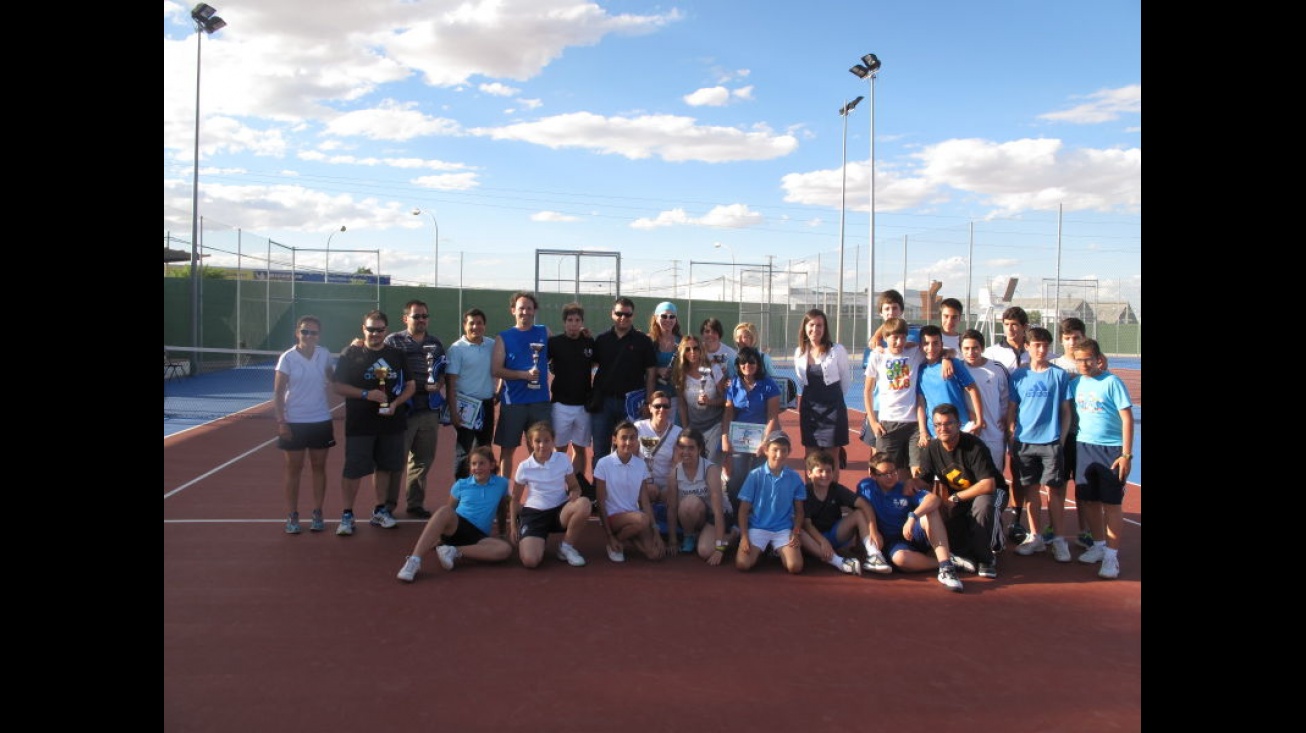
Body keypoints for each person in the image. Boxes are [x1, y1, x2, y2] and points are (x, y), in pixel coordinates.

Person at [331, 310, 416, 536]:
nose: (375, 333)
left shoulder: (397, 354)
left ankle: (380, 510)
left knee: (386, 468)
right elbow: (338, 386)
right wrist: (366, 394)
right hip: (360, 423)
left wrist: (396, 403)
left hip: (391, 422)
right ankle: (347, 515)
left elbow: (411, 385)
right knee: (354, 470)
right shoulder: (350, 353)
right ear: (363, 329)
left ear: (385, 331)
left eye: (379, 330)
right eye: (371, 329)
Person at [1006, 327, 1075, 562]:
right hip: (1024, 443)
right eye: (1036, 345)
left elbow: (1066, 410)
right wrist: (1011, 433)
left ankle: (1059, 539)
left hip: (1051, 443)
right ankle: (1035, 537)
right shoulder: (1019, 376)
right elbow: (1012, 409)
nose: (1041, 349)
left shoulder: (1059, 375)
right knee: (1030, 491)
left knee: (1055, 492)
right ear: (1027, 347)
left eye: (1045, 345)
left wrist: (1061, 438)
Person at [912, 403, 1002, 579]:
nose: (943, 428)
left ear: (958, 424)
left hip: (991, 493)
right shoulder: (932, 448)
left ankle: (987, 558)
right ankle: (966, 550)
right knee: (944, 515)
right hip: (960, 497)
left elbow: (988, 485)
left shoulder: (974, 446)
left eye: (948, 424)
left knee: (982, 507)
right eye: (938, 425)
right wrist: (911, 483)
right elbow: (925, 480)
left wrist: (955, 497)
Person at [396, 446, 513, 582]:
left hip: (479, 537)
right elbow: (449, 511)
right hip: (457, 529)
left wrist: (503, 533)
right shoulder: (461, 485)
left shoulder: (502, 484)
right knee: (444, 511)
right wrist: (438, 537)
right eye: (474, 464)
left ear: (492, 465)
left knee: (505, 550)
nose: (477, 467)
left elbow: (502, 508)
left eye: (482, 463)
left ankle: (453, 551)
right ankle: (414, 561)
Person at [1069, 339, 1134, 580]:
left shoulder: (1112, 382)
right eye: (1079, 359)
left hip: (1111, 450)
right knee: (1090, 502)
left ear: (1098, 359)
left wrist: (1126, 454)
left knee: (1112, 505)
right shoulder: (1076, 384)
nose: (1083, 364)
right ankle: (1097, 545)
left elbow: (1127, 419)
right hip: (1084, 446)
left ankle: (1111, 556)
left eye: (1087, 358)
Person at [857, 452, 964, 592]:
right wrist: (873, 531)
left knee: (930, 512)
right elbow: (860, 508)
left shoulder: (905, 488)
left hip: (913, 533)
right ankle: (947, 562)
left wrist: (913, 516)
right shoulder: (865, 487)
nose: (890, 477)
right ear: (873, 475)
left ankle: (946, 568)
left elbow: (933, 499)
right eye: (884, 474)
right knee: (901, 560)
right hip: (893, 543)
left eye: (893, 472)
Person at [382, 299, 446, 519]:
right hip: (404, 409)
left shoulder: (435, 343)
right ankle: (387, 506)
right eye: (416, 316)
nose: (421, 320)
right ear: (405, 318)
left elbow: (441, 371)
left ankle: (415, 503)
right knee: (395, 460)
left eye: (424, 316)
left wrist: (438, 384)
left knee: (422, 460)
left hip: (428, 409)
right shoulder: (393, 341)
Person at [273, 315, 336, 534]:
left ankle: (318, 512)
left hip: (320, 420)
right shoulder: (287, 358)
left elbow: (333, 378)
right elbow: (279, 392)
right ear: (297, 333)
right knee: (294, 469)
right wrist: (282, 421)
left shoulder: (325, 355)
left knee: (319, 468)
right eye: (304, 332)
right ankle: (292, 514)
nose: (309, 336)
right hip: (294, 422)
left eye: (313, 332)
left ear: (319, 335)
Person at [509, 422, 592, 568]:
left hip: (559, 512)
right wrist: (513, 527)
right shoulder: (524, 467)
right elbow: (515, 498)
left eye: (546, 440)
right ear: (530, 442)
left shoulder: (563, 459)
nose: (542, 445)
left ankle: (566, 547)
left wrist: (574, 493)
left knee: (584, 503)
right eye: (537, 441)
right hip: (535, 515)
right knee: (530, 561)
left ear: (553, 441)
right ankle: (536, 538)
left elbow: (575, 487)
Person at [492, 291, 553, 486]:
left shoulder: (544, 332)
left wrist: (582, 334)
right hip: (514, 403)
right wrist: (523, 375)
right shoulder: (503, 337)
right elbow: (496, 369)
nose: (525, 312)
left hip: (540, 402)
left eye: (529, 308)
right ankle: (504, 493)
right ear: (513, 311)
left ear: (534, 311)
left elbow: (564, 348)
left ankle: (541, 490)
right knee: (508, 449)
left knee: (540, 449)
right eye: (521, 308)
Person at [981, 305, 1032, 537]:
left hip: (1031, 423)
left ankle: (1017, 519)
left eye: (1015, 325)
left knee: (1021, 472)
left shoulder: (1036, 352)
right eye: (1007, 325)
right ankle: (993, 518)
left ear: (1024, 328)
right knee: (996, 470)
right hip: (1000, 422)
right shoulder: (992, 353)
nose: (1010, 330)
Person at [589, 296, 658, 467]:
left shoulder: (643, 341)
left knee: (630, 450)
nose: (623, 318)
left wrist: (648, 402)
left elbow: (651, 373)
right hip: (603, 404)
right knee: (600, 451)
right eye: (619, 313)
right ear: (612, 314)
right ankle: (600, 492)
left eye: (627, 315)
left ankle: (628, 490)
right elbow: (590, 366)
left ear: (633, 316)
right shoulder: (602, 339)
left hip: (631, 404)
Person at [861, 317, 927, 480]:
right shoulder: (878, 356)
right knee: (884, 472)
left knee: (917, 472)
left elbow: (937, 347)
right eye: (894, 337)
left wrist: (948, 356)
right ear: (885, 338)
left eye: (903, 337)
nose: (899, 342)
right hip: (887, 424)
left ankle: (914, 503)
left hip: (913, 426)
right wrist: (873, 421)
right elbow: (867, 391)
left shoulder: (915, 353)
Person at [721, 346, 782, 514]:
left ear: (758, 364)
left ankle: (758, 515)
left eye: (752, 361)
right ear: (738, 365)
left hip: (762, 440)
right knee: (737, 477)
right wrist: (725, 438)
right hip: (739, 440)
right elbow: (728, 414)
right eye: (743, 362)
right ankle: (735, 512)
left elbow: (772, 417)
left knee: (760, 477)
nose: (747, 365)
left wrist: (765, 443)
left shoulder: (769, 385)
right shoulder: (733, 385)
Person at [797, 449, 878, 576]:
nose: (825, 475)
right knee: (799, 532)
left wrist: (873, 530)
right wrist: (823, 541)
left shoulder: (836, 489)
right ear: (809, 473)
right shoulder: (805, 492)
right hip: (814, 540)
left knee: (858, 514)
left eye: (828, 471)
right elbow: (807, 524)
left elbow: (863, 504)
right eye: (820, 471)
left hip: (835, 534)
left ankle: (874, 554)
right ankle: (839, 562)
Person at [595, 421, 667, 563]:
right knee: (642, 519)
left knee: (655, 554)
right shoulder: (603, 464)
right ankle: (614, 541)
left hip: (635, 518)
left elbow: (645, 502)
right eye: (624, 438)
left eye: (632, 438)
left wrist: (656, 531)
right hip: (613, 518)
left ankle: (621, 541)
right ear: (614, 440)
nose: (628, 442)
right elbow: (601, 502)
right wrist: (609, 534)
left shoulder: (640, 465)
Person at [793, 309, 853, 478]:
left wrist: (834, 401)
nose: (815, 329)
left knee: (831, 455)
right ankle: (811, 496)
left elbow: (845, 379)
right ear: (805, 327)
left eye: (819, 325)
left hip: (833, 409)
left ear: (825, 328)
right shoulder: (799, 352)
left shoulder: (837, 350)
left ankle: (832, 497)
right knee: (810, 455)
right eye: (811, 325)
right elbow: (801, 381)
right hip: (810, 410)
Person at [1051, 317, 1095, 550]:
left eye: (1076, 338)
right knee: (1056, 485)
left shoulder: (1089, 366)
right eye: (1067, 338)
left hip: (1085, 436)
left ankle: (1084, 530)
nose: (1071, 342)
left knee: (1083, 487)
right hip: (1059, 435)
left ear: (1083, 338)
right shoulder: (1054, 365)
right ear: (1061, 340)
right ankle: (1053, 527)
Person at [735, 430, 806, 574]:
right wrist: (744, 537)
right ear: (766, 450)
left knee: (795, 567)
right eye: (775, 450)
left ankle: (774, 549)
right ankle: (763, 550)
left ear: (789, 452)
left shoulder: (794, 477)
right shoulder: (754, 475)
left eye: (783, 450)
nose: (779, 455)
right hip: (758, 528)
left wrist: (796, 531)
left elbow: (799, 511)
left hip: (783, 529)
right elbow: (743, 510)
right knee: (743, 564)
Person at [548, 302, 597, 500]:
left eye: (577, 320)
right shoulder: (555, 343)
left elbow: (596, 362)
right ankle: (557, 488)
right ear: (564, 322)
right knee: (559, 449)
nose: (573, 324)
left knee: (579, 448)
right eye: (570, 320)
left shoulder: (589, 342)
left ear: (582, 323)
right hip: (560, 404)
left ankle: (575, 489)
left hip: (583, 406)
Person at [664, 427, 734, 563]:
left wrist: (720, 549)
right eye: (682, 447)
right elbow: (671, 509)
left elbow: (718, 511)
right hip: (695, 514)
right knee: (689, 504)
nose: (685, 452)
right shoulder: (674, 474)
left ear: (699, 449)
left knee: (705, 551)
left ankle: (733, 535)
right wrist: (672, 540)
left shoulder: (711, 470)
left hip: (717, 515)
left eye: (691, 448)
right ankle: (689, 536)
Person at [958, 329, 1011, 509]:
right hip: (968, 433)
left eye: (975, 348)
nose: (970, 353)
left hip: (994, 434)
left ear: (982, 348)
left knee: (993, 477)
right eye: (966, 349)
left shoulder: (997, 369)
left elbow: (1006, 398)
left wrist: (1005, 419)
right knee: (967, 478)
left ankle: (993, 515)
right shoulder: (957, 368)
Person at [445, 308, 498, 481]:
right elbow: (451, 382)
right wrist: (453, 412)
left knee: (484, 449)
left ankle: (484, 489)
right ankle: (461, 492)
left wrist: (499, 389)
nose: (476, 327)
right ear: (464, 325)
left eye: (479, 323)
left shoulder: (491, 344)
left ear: (485, 325)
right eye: (471, 323)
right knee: (464, 452)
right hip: (465, 405)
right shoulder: (457, 349)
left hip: (486, 405)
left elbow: (503, 367)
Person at [915, 324, 984, 441]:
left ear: (941, 345)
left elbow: (972, 389)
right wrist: (923, 432)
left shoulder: (953, 363)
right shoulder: (920, 370)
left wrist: (980, 420)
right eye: (926, 343)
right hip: (935, 432)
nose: (931, 348)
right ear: (920, 346)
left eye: (935, 343)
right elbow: (921, 403)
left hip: (960, 428)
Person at [672, 334, 729, 466]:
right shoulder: (680, 374)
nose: (692, 352)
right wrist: (686, 429)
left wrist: (710, 402)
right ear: (682, 352)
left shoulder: (713, 369)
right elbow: (682, 405)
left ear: (701, 350)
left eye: (695, 348)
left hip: (715, 426)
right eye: (687, 349)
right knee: (695, 466)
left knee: (711, 465)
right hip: (695, 428)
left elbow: (725, 400)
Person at [634, 390, 683, 538]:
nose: (662, 409)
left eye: (666, 406)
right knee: (649, 491)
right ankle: (645, 530)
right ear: (649, 407)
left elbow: (677, 464)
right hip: (643, 480)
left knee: (669, 493)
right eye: (657, 406)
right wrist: (647, 481)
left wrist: (670, 486)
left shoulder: (677, 431)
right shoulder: (638, 427)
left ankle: (670, 534)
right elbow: (633, 458)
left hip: (667, 481)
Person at [649, 301, 683, 425]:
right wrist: (658, 371)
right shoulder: (648, 341)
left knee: (674, 437)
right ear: (656, 318)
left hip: (676, 397)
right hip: (654, 397)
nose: (668, 320)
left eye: (672, 316)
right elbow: (640, 367)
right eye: (664, 316)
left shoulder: (682, 342)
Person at [699, 317, 737, 383]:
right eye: (707, 331)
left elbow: (737, 377)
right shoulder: (695, 350)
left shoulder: (730, 353)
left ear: (719, 335)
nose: (710, 335)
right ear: (702, 334)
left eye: (714, 332)